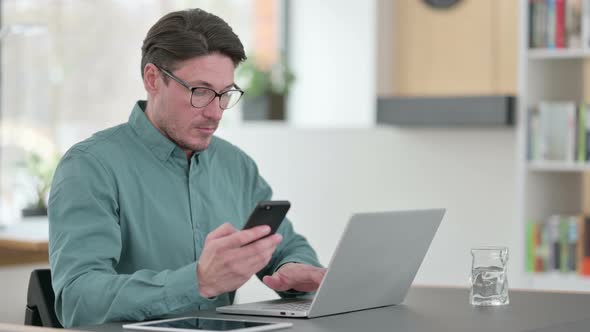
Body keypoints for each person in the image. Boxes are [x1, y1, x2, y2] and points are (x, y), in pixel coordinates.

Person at [48, 8, 325, 328]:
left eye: (224, 94)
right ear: (153, 79)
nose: (216, 112)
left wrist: (294, 269)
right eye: (201, 91)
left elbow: (286, 245)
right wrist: (197, 281)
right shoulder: (90, 168)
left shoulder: (235, 166)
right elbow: (79, 301)